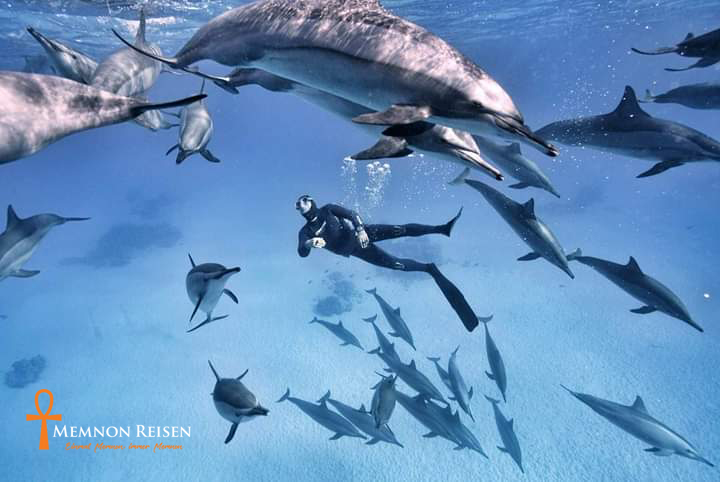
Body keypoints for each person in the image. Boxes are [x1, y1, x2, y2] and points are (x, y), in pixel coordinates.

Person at [295, 195, 479, 331]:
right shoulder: (306, 232)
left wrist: (360, 229)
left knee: (400, 230)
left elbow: (352, 214)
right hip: (358, 250)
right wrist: (310, 244)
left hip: (363, 234)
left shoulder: (327, 209)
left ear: (311, 201)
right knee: (396, 264)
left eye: (302, 201)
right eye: (297, 205)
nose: (299, 205)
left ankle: (442, 229)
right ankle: (429, 269)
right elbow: (302, 251)